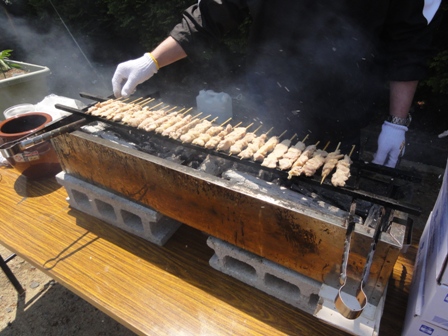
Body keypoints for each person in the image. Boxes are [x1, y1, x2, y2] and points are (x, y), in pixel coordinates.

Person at [112, 0, 444, 167]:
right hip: (269, 100)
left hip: (341, 109)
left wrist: (397, 123)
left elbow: (408, 43)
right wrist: (151, 61)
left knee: (324, 193)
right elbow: (212, 14)